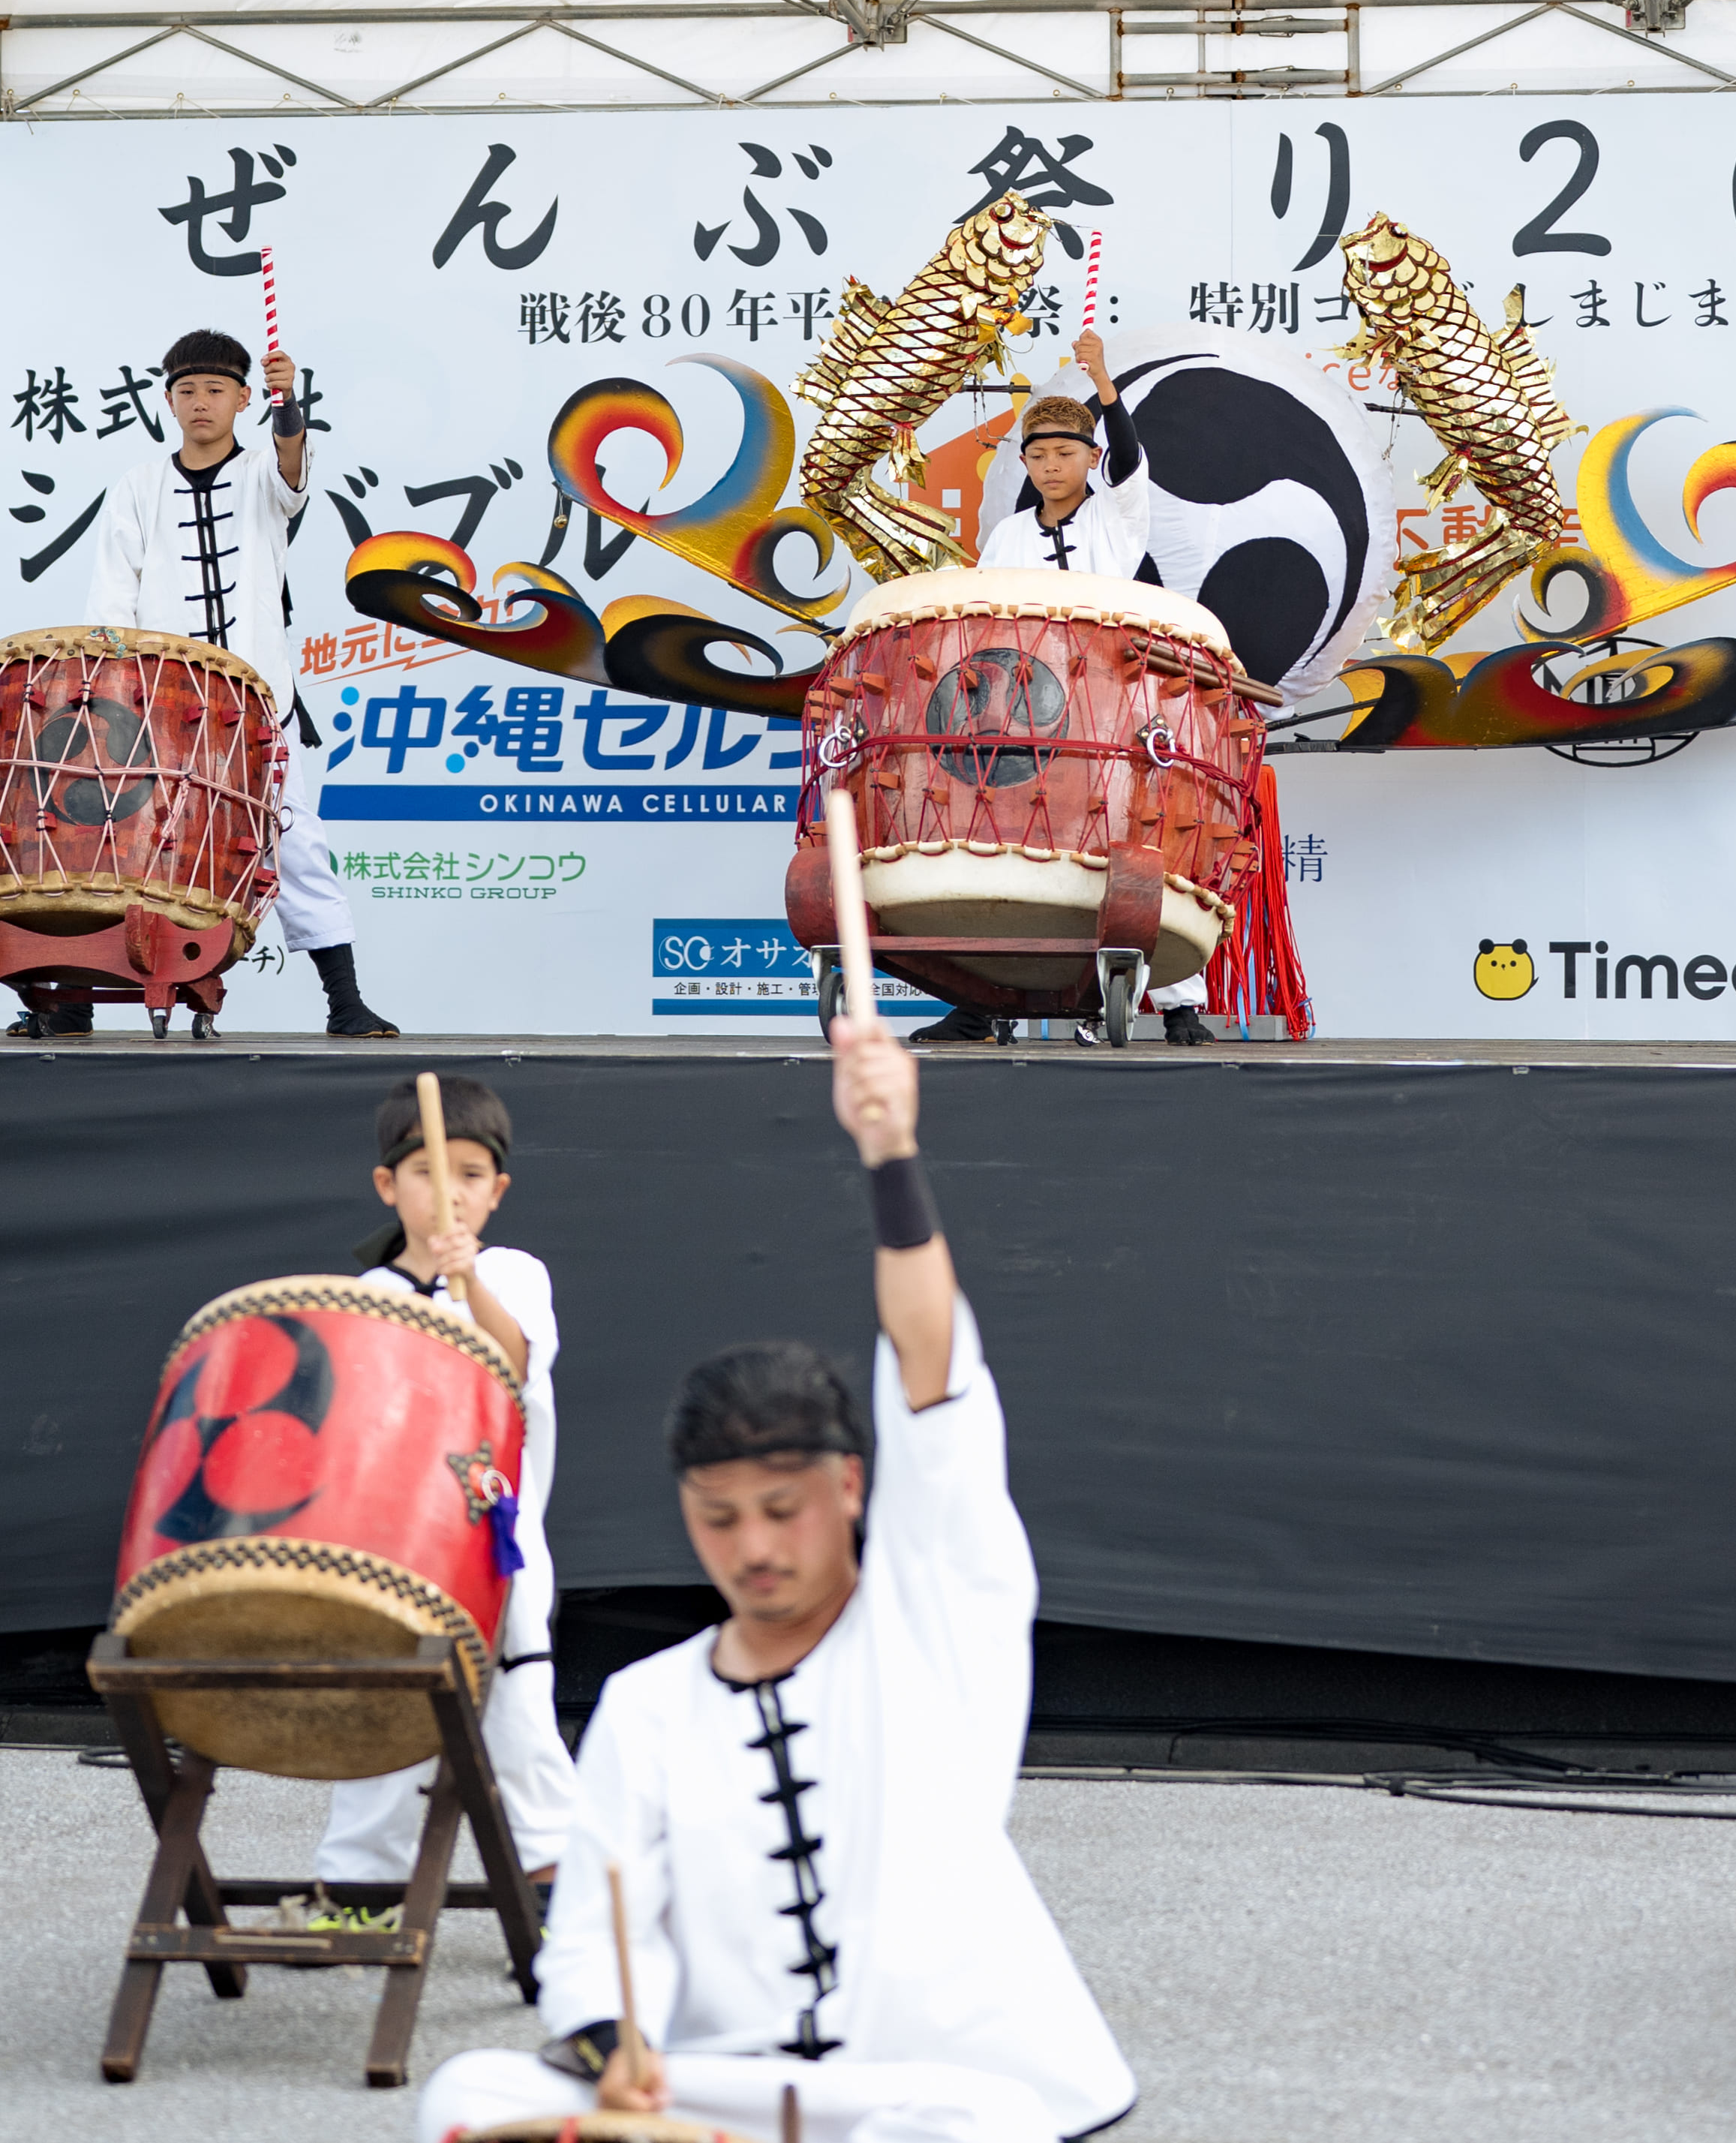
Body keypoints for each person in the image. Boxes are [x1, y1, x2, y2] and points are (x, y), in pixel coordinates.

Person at [413, 1018, 1136, 2143]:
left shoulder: (931, 1618)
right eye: (719, 1517)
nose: (752, 1546)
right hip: (727, 2091)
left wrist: (893, 1159)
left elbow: (937, 1379)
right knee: (469, 2092)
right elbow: (600, 1936)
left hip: (937, 2084)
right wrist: (617, 2042)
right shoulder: (648, 1705)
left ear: (850, 1488)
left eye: (781, 1511)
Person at [66, 327, 393, 1038]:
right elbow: (111, 601)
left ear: (245, 398)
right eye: (186, 390)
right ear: (168, 401)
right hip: (156, 706)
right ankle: (70, 1001)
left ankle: (345, 1001)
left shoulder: (266, 481)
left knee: (295, 842)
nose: (200, 403)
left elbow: (293, 468)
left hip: (256, 702)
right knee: (120, 845)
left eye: (216, 389)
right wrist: (114, 696)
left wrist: (290, 402)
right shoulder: (136, 487)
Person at [312, 1075, 577, 1901]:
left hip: (500, 1547)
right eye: (427, 1171)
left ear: (496, 1191)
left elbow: (515, 1363)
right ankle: (360, 1890)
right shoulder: (368, 1295)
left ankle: (557, 1892)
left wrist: (471, 1284)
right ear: (390, 1186)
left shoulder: (515, 1274)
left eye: (469, 1174)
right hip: (396, 1553)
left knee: (521, 1721)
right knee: (383, 1716)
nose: (449, 1192)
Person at [928, 329, 1209, 1051]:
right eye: (1040, 455)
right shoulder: (1009, 535)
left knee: (1132, 842)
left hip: (1118, 706)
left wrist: (1104, 382)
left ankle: (1178, 1008)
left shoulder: (1119, 513)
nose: (1053, 465)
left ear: (1090, 459)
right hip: (1030, 714)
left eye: (1067, 453)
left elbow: (1131, 452)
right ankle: (983, 1004)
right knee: (1011, 843)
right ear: (1024, 463)